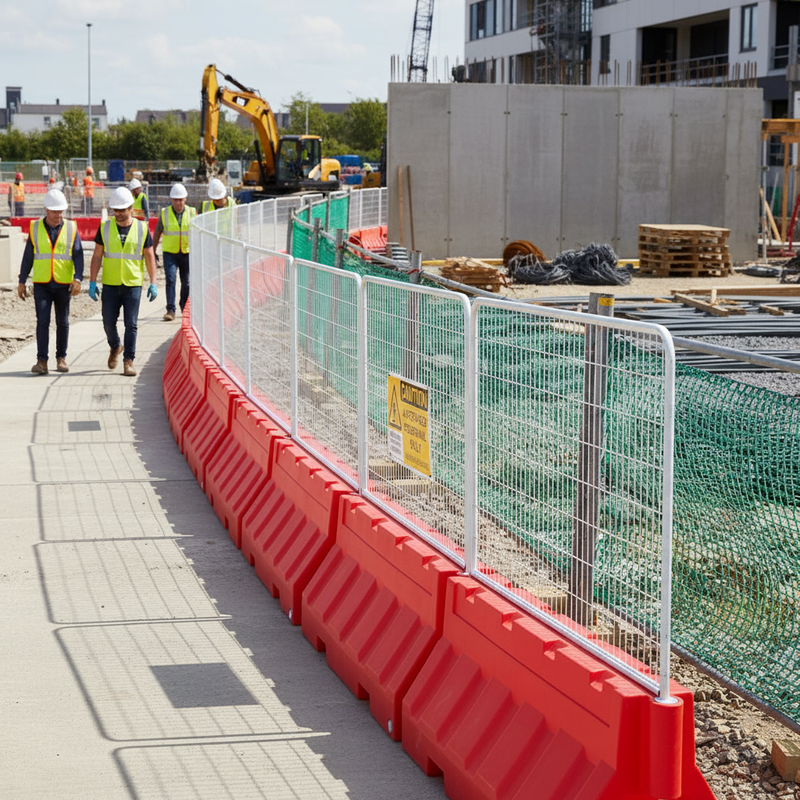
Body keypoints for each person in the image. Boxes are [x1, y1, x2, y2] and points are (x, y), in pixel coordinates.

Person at [88, 186, 158, 377]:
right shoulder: (105, 227)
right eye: (115, 210)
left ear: (131, 209)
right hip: (110, 283)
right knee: (108, 322)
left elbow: (150, 256)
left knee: (131, 323)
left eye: (122, 210)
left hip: (132, 284)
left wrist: (153, 281)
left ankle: (129, 361)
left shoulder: (142, 229)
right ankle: (115, 345)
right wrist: (92, 281)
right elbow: (96, 256)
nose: (117, 214)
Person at [16, 189, 83, 375]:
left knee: (63, 322)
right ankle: (42, 361)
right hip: (42, 283)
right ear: (46, 210)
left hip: (63, 283)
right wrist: (22, 280)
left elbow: (77, 254)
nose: (58, 215)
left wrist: (78, 278)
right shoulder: (35, 228)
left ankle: (61, 358)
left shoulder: (71, 228)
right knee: (42, 322)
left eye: (61, 211)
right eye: (55, 212)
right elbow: (28, 255)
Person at [152, 183, 196, 322]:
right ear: (171, 200)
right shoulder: (165, 213)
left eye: (181, 199)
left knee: (187, 282)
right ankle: (170, 310)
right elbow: (158, 232)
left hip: (187, 252)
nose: (179, 202)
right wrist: (152, 251)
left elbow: (199, 233)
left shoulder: (192, 212)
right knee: (171, 280)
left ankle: (185, 307)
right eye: (176, 200)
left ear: (185, 199)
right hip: (169, 253)